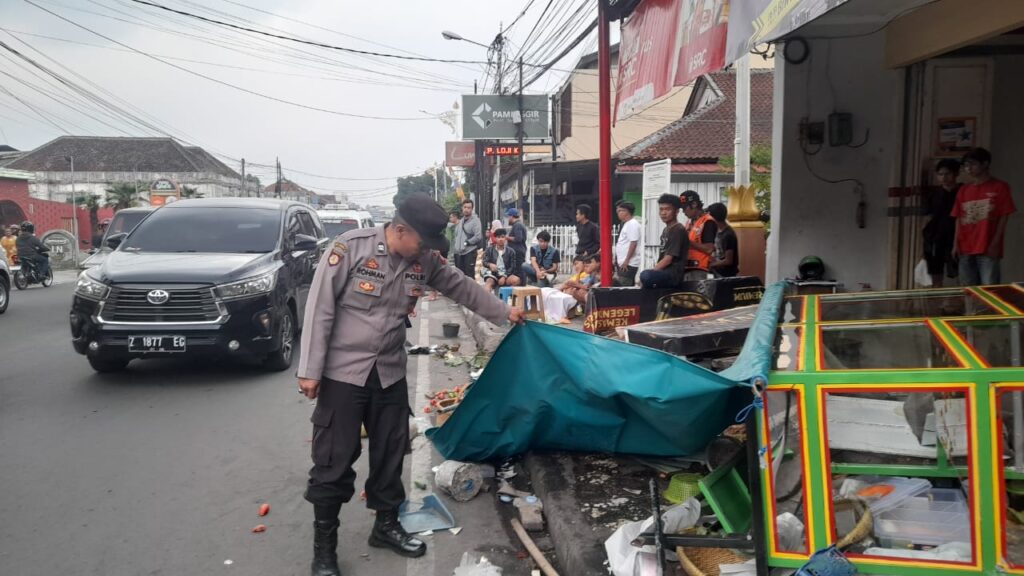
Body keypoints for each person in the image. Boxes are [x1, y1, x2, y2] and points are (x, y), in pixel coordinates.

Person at [297, 194, 524, 576]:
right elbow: (320, 308)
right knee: (334, 460)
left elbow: (461, 286)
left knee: (390, 452)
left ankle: (385, 525)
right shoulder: (351, 249)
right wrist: (310, 369)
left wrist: (504, 312)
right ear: (400, 230)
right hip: (343, 373)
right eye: (422, 242)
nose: (427, 251)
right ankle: (324, 549)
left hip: (389, 371)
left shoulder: (424, 260)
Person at [952, 148, 1015, 286]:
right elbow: (958, 217)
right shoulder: (964, 190)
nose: (969, 168)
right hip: (965, 246)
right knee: (968, 287)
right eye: (966, 165)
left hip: (987, 246)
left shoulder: (999, 187)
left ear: (985, 164)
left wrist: (996, 243)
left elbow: (1004, 216)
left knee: (989, 287)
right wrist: (955, 244)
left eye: (973, 164)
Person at [923, 159, 960, 287]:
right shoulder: (934, 194)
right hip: (936, 236)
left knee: (958, 269)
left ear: (956, 174)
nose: (944, 177)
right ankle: (937, 293)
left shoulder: (962, 191)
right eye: (940, 174)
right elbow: (927, 217)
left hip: (956, 235)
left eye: (947, 174)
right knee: (935, 270)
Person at [639, 194, 688, 289]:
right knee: (645, 277)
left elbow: (668, 259)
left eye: (667, 209)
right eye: (661, 209)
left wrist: (652, 272)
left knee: (646, 275)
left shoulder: (678, 230)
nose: (663, 213)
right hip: (664, 272)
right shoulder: (666, 230)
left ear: (676, 211)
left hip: (673, 275)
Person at [680, 190, 717, 280]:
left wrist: (688, 242)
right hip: (687, 268)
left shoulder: (708, 221)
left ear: (694, 204)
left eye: (684, 208)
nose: (683, 211)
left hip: (700, 270)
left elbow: (709, 249)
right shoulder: (689, 222)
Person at [451, 199, 483, 279]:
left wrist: (467, 242)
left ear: (472, 209)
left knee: (469, 277)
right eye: (465, 207)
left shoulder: (475, 221)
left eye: (469, 208)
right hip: (459, 253)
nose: (466, 209)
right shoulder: (461, 221)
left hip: (469, 252)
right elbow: (456, 236)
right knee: (459, 277)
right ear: (462, 208)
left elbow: (478, 236)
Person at [707, 202, 739, 278]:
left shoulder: (728, 234)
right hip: (717, 272)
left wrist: (711, 264)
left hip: (726, 275)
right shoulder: (717, 231)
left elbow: (728, 260)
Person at [613, 201, 641, 286]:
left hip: (628, 264)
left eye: (620, 211)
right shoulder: (627, 224)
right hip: (624, 262)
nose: (618, 213)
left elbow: (633, 243)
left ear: (627, 211)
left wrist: (626, 261)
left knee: (624, 285)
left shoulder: (632, 224)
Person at [505, 208, 528, 273]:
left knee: (519, 271)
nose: (508, 219)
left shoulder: (517, 225)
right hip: (518, 251)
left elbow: (518, 239)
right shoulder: (518, 224)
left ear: (511, 216)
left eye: (508, 216)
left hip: (517, 252)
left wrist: (506, 237)